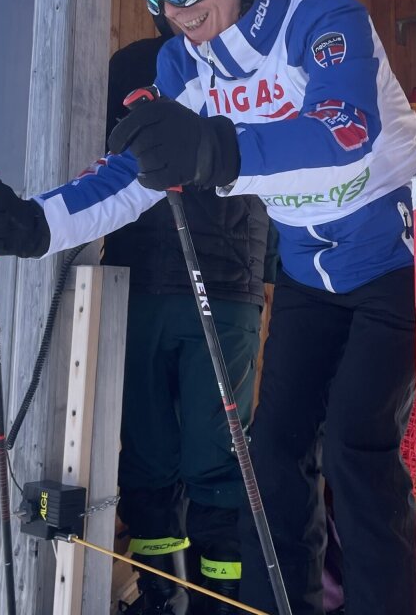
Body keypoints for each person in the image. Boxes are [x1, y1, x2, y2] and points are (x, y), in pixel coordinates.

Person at [0, 0, 416, 615]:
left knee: (356, 440)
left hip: (406, 250)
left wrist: (217, 151)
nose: (171, 5)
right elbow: (133, 176)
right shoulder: (182, 65)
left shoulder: (322, 18)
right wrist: (33, 225)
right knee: (275, 448)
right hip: (310, 264)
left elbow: (346, 134)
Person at [104, 36, 273, 614]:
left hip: (206, 284)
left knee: (193, 453)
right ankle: (176, 594)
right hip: (167, 281)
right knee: (181, 452)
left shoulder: (253, 59)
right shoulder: (138, 62)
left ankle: (197, 596)